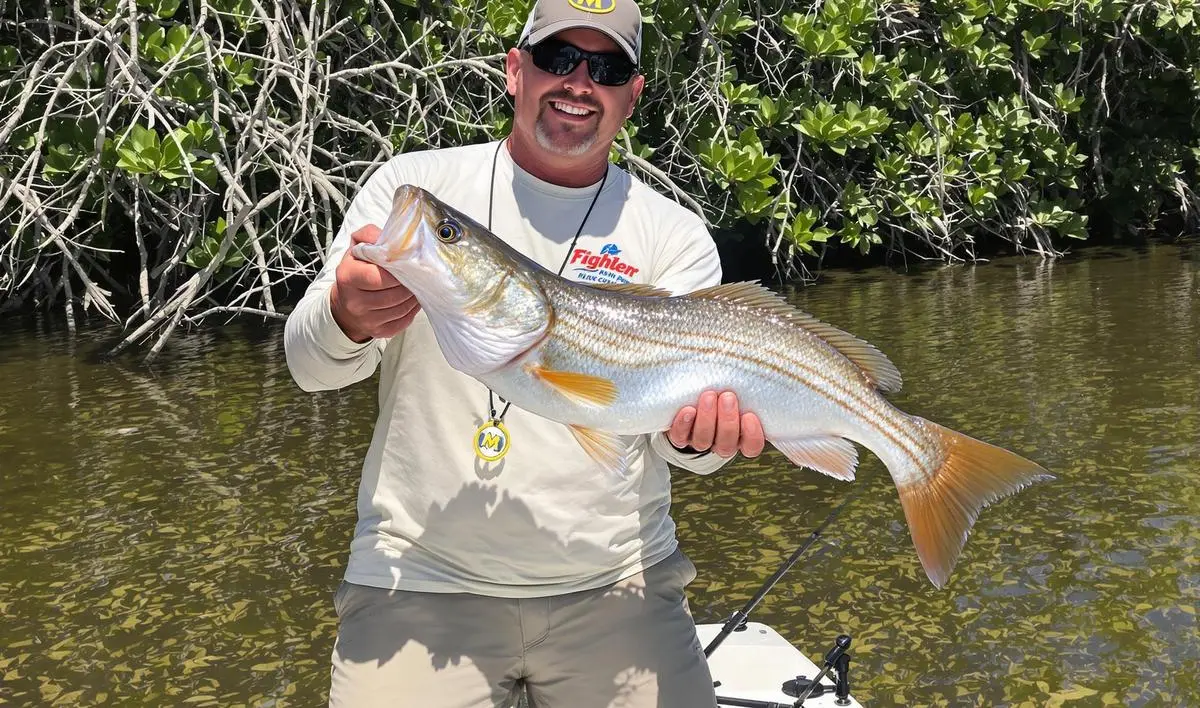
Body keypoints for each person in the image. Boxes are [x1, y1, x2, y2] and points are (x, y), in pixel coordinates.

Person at [284, 1, 766, 705]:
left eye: (605, 68)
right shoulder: (413, 187)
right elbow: (307, 368)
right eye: (556, 58)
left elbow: (688, 450)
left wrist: (702, 442)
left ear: (631, 97)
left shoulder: (674, 235)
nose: (578, 82)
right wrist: (347, 317)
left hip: (619, 587)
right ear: (515, 71)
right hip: (418, 579)